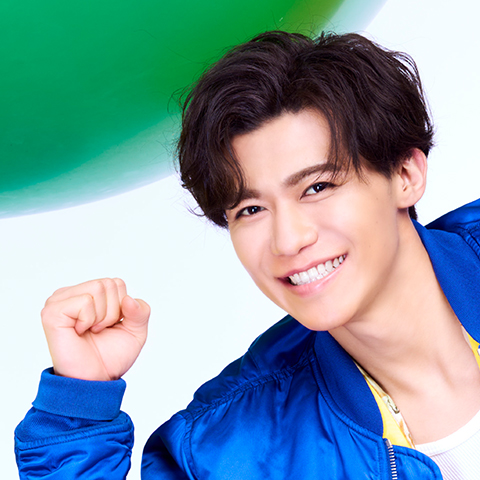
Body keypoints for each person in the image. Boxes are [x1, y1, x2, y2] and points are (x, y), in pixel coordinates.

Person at [15, 31, 480, 479]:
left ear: (405, 175)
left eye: (317, 187)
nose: (288, 240)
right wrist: (79, 404)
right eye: (251, 209)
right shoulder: (227, 451)